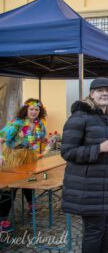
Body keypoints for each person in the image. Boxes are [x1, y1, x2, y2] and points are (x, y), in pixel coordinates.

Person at [61, 78, 108, 253]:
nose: (105, 93)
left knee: (107, 226)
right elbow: (67, 152)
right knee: (94, 231)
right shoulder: (79, 117)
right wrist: (99, 148)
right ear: (92, 94)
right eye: (100, 90)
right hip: (90, 185)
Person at [0, 98, 47, 231]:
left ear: (40, 111)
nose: (34, 112)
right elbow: (0, 139)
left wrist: (50, 140)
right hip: (14, 157)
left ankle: (31, 205)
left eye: (37, 109)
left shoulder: (39, 124)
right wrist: (0, 156)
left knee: (30, 181)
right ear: (26, 109)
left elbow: (42, 138)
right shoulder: (17, 123)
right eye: (31, 109)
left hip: (29, 157)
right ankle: (1, 219)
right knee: (11, 188)